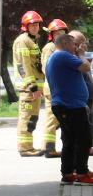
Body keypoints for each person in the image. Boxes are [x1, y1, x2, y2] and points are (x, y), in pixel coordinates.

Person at [45, 31, 93, 184]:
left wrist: (81, 102)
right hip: (70, 106)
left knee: (71, 140)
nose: (76, 48)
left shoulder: (56, 57)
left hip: (68, 105)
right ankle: (81, 172)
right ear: (65, 43)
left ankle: (68, 173)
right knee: (84, 139)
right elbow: (86, 67)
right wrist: (81, 54)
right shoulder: (63, 56)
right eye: (74, 45)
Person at [13, 11, 46, 156]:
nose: (35, 27)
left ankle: (28, 146)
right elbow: (23, 66)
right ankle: (25, 148)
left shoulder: (32, 41)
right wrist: (32, 87)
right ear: (25, 26)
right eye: (32, 25)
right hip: (28, 89)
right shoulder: (23, 41)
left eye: (37, 24)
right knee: (27, 118)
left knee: (32, 118)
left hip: (33, 89)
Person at [39, 18, 69, 156]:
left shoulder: (62, 48)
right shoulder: (49, 48)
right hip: (53, 88)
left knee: (57, 118)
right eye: (57, 33)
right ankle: (49, 149)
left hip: (59, 88)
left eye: (62, 33)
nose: (60, 36)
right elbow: (47, 68)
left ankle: (46, 145)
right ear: (51, 35)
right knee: (52, 118)